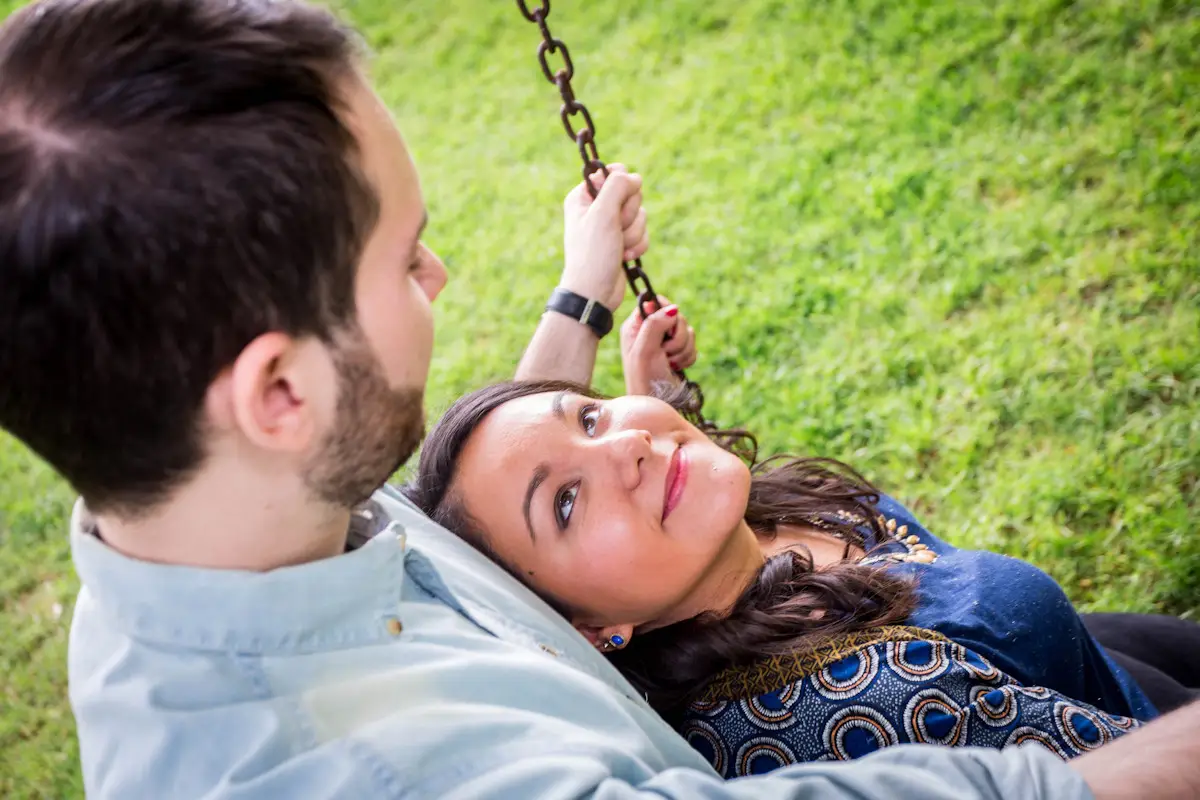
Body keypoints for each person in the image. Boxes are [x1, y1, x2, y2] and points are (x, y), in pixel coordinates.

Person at [1, 0, 1198, 798]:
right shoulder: (360, 771)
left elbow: (481, 484)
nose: (439, 278)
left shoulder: (237, 504)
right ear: (277, 389)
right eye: (407, 258)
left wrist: (580, 303)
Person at [408, 308, 1200, 772]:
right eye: (568, 503)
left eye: (588, 416)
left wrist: (654, 393)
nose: (628, 444)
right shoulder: (867, 710)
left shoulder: (726, 542)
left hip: (1090, 653)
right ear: (589, 631)